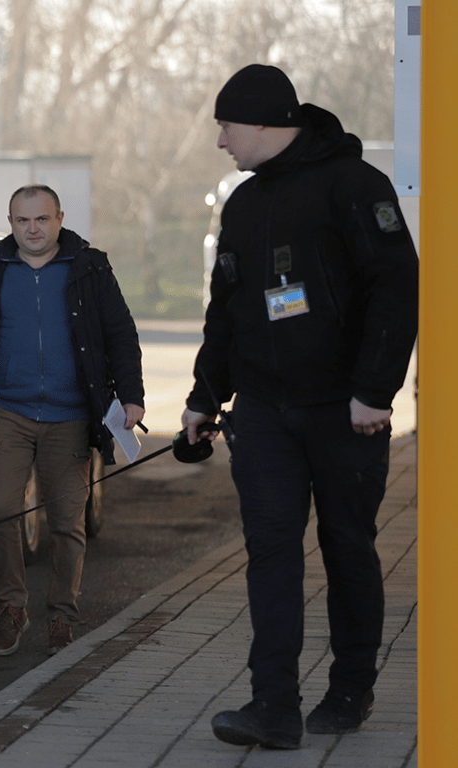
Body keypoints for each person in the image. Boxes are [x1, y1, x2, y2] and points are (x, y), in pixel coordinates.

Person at [183, 64, 418, 750]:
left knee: (348, 547)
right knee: (272, 553)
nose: (221, 141)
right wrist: (203, 397)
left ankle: (350, 689)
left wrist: (375, 392)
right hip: (262, 413)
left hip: (345, 412)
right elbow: (225, 306)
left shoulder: (354, 186)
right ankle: (273, 707)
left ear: (260, 122)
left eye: (225, 126)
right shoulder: (244, 204)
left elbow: (397, 287)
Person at [0, 184, 145, 657]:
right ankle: (13, 607)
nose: (33, 229)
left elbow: (121, 334)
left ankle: (61, 615)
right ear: (11, 222)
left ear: (59, 219)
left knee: (67, 522)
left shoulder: (90, 267)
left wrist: (131, 396)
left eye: (42, 219)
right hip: (7, 411)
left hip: (70, 414)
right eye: (22, 220)